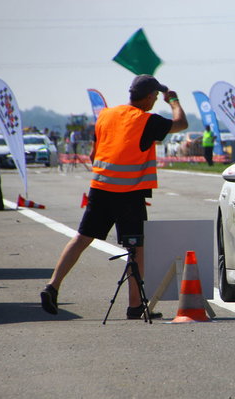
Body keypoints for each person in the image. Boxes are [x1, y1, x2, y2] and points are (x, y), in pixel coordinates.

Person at [40, 74, 188, 319]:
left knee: (81, 238)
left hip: (100, 189)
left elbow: (93, 155)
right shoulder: (146, 120)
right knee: (137, 247)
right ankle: (134, 306)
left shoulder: (105, 115)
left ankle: (52, 286)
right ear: (151, 97)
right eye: (155, 97)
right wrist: (173, 101)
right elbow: (181, 124)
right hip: (129, 195)